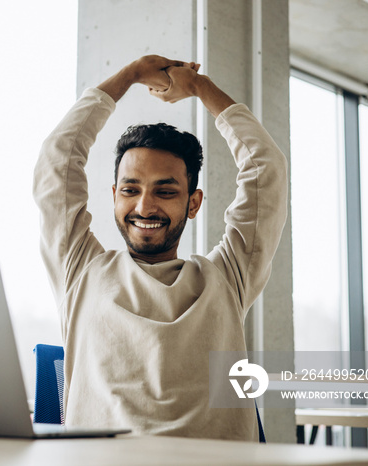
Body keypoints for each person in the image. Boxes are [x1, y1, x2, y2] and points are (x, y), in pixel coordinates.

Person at [33, 54, 288, 441]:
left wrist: (200, 87)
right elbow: (58, 160)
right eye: (131, 190)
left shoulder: (228, 276)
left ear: (193, 202)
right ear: (114, 196)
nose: (144, 207)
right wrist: (131, 74)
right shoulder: (80, 269)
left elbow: (266, 169)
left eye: (165, 191)